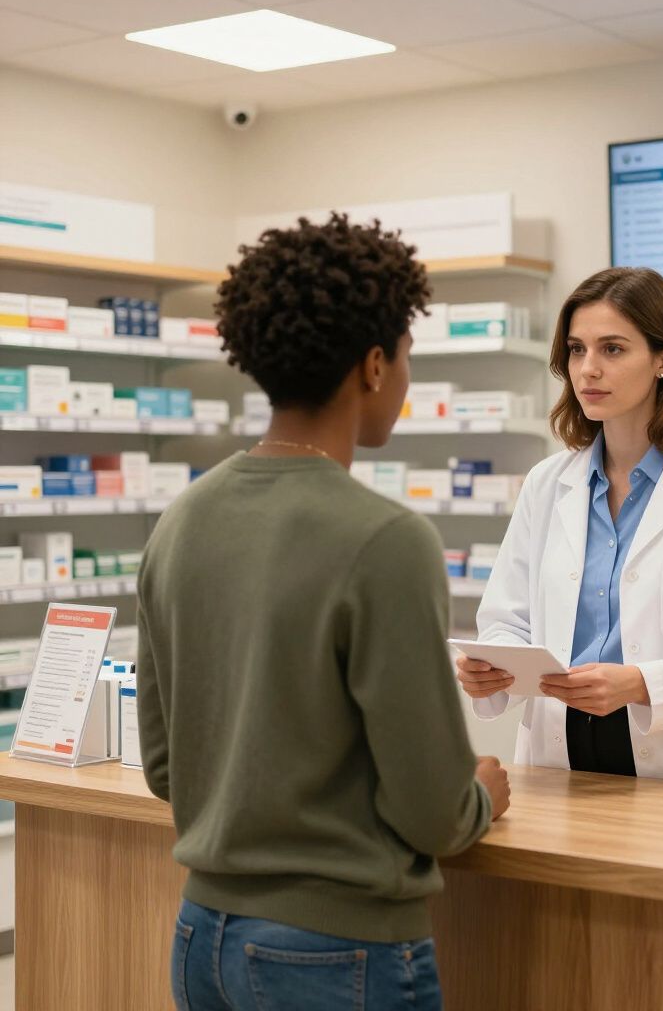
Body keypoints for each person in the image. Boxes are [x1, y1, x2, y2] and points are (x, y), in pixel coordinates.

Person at [137, 213, 510, 1011]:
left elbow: (167, 768)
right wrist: (482, 794)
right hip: (337, 955)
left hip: (202, 939)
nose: (404, 379)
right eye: (406, 357)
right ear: (373, 366)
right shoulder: (385, 539)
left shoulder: (182, 520)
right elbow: (433, 812)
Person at [456, 266, 663, 784]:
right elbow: (507, 620)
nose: (588, 369)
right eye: (576, 349)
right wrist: (491, 669)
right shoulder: (548, 483)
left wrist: (641, 684)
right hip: (557, 757)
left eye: (612, 349)